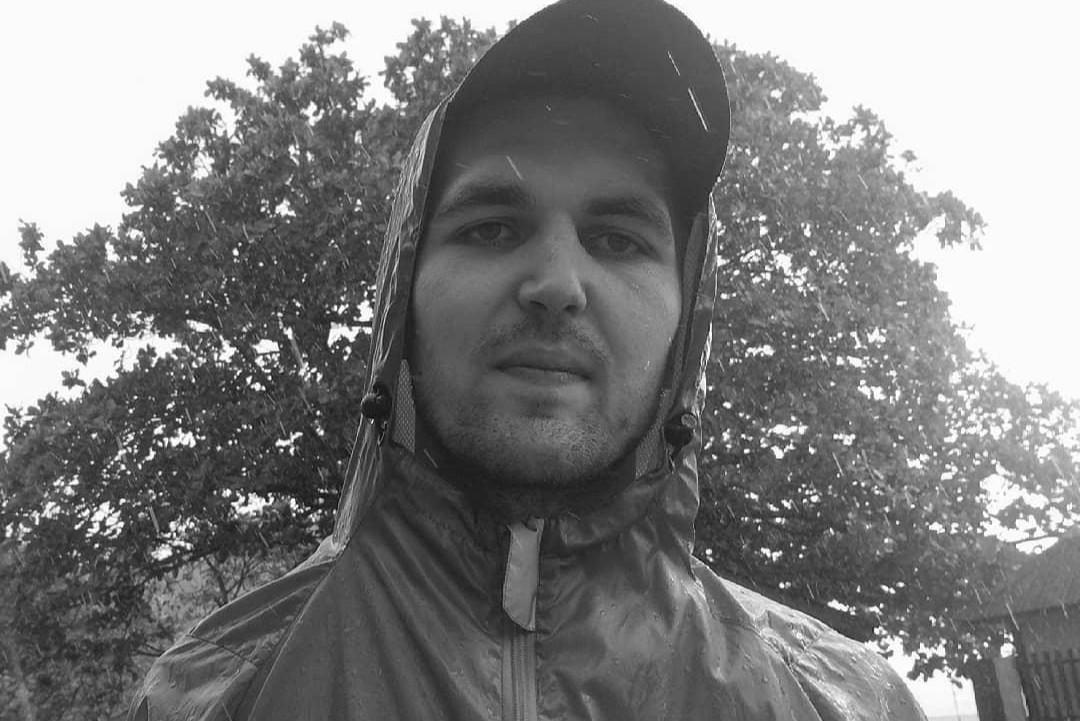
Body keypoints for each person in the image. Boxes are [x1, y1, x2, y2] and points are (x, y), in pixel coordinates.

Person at [130, 0, 928, 719]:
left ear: (687, 314)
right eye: (492, 228)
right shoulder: (219, 695)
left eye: (617, 239)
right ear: (404, 292)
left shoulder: (843, 703)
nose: (556, 285)